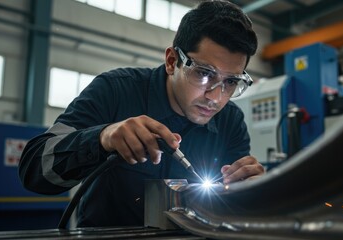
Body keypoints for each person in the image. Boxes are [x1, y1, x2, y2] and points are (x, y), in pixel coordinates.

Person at [19, 0, 265, 228]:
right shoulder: (115, 91)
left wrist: (252, 192)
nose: (215, 97)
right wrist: (101, 138)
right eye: (204, 73)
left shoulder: (230, 120)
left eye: (231, 81)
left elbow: (232, 209)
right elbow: (35, 170)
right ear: (171, 61)